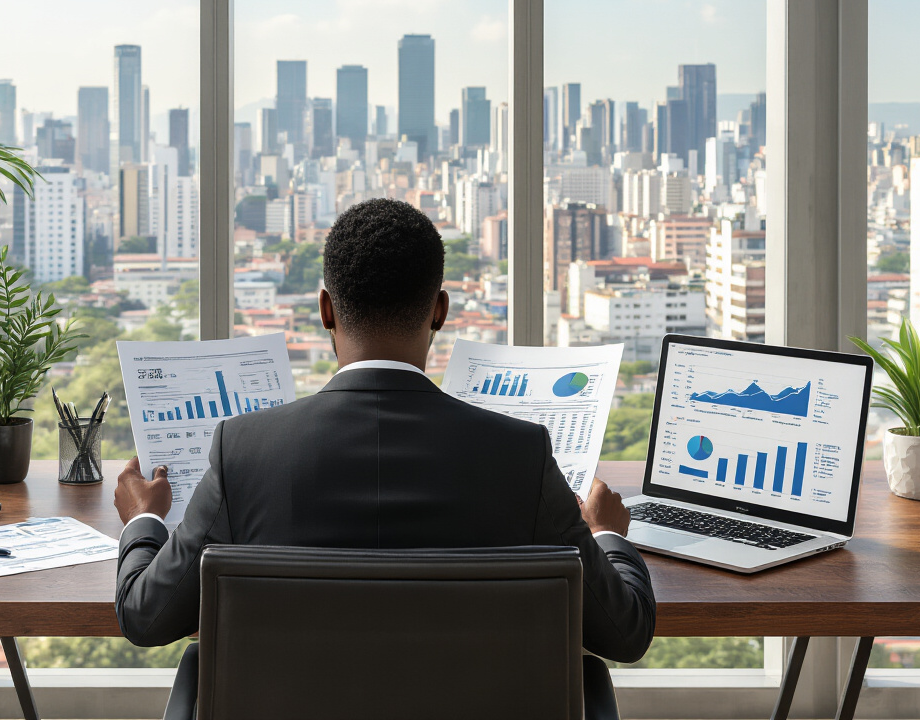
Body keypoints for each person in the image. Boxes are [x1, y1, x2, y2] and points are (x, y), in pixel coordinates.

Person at [114, 198, 656, 665]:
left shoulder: (242, 450)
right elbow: (625, 632)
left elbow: (145, 615)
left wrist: (143, 519)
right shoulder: (521, 454)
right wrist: (606, 533)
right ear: (440, 310)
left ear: (326, 310)